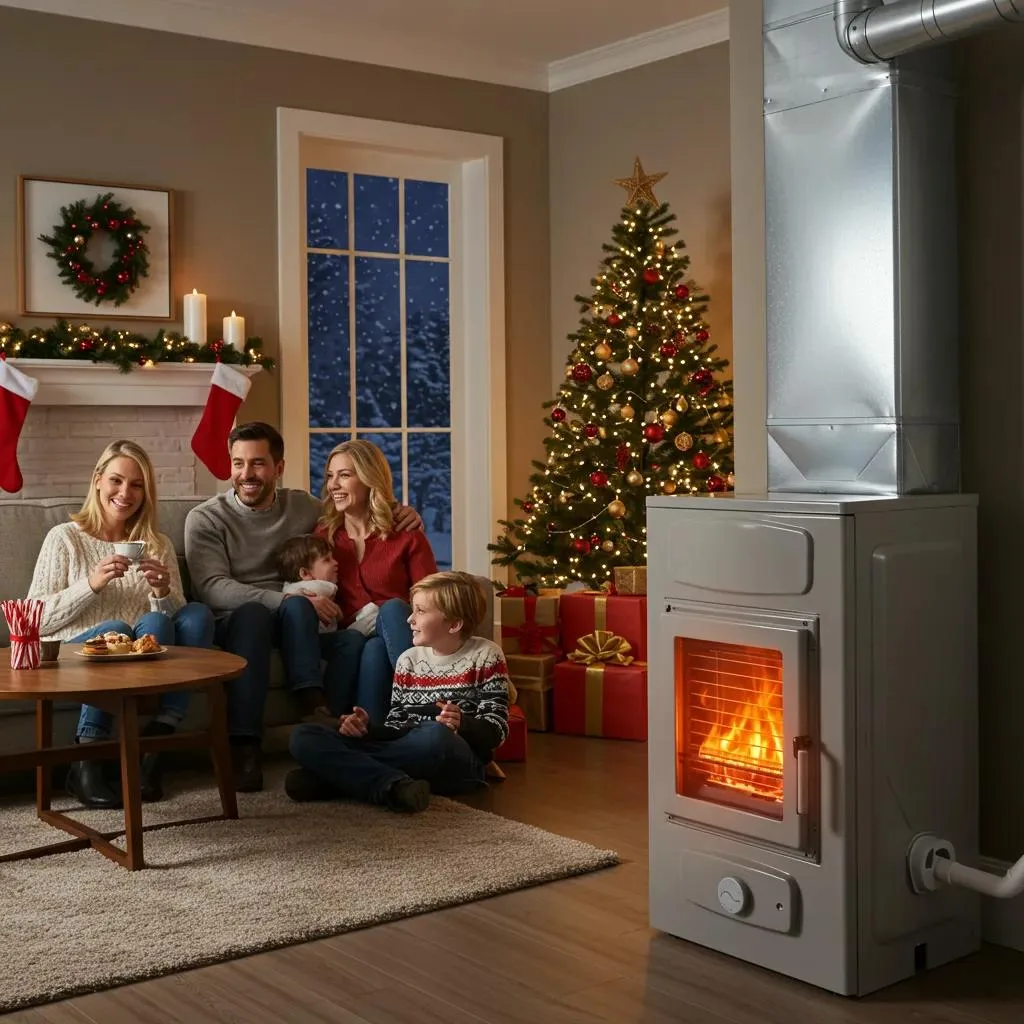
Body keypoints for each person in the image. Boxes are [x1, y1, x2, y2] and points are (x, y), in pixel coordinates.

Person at [184, 422, 423, 793]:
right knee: (257, 614)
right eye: (238, 463)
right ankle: (245, 744)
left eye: (258, 463)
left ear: (279, 468)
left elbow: (352, 508)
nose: (247, 474)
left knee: (355, 642)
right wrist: (288, 597)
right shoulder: (207, 518)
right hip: (243, 620)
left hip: (304, 619)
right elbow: (213, 588)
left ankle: (334, 720)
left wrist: (400, 511)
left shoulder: (306, 510)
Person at [26, 440, 215, 808]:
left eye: (137, 485)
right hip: (77, 651)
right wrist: (91, 585)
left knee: (196, 615)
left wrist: (161, 590)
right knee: (116, 627)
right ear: (98, 480)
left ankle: (155, 743)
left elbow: (173, 621)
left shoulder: (156, 545)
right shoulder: (65, 538)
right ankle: (86, 760)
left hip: (143, 656)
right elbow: (36, 620)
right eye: (116, 480)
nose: (125, 493)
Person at [285, 571, 510, 813]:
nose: (409, 620)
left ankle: (337, 779)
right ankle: (394, 786)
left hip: (455, 762)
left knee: (435, 736)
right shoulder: (408, 660)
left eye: (421, 611)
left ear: (454, 624)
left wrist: (463, 723)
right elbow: (397, 727)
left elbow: (497, 731)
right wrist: (366, 727)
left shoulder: (486, 655)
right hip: (413, 753)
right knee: (303, 736)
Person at [315, 439, 438, 723]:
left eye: (344, 475)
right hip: (347, 637)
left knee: (391, 612)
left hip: (398, 630)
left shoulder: (407, 534)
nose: (333, 484)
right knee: (368, 642)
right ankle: (424, 705)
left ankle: (373, 733)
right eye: (330, 476)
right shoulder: (323, 536)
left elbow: (431, 602)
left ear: (370, 479)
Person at [277, 535, 340, 633]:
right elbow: (332, 589)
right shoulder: (317, 588)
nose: (336, 562)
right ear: (305, 573)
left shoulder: (288, 587)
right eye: (327, 560)